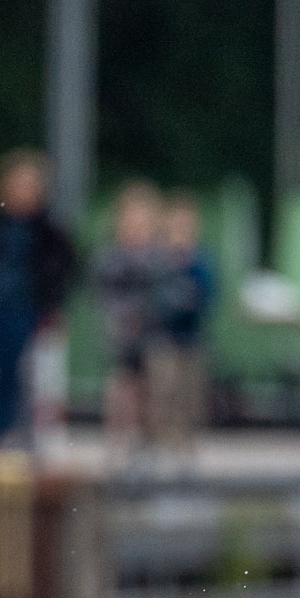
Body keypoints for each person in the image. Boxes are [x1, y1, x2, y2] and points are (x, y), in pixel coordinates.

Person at [0, 150, 78, 449]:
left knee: (25, 368)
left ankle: (22, 428)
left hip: (28, 306)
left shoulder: (48, 230)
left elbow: (64, 269)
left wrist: (53, 305)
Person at [96, 180, 165, 455]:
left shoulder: (158, 255)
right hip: (122, 329)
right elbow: (105, 288)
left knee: (152, 385)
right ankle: (118, 438)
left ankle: (148, 440)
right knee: (122, 385)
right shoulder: (111, 254)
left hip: (151, 330)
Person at [146, 192, 214, 455]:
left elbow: (208, 294)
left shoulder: (201, 260)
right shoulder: (159, 260)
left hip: (191, 336)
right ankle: (164, 440)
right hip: (163, 336)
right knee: (163, 390)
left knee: (190, 394)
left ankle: (186, 441)